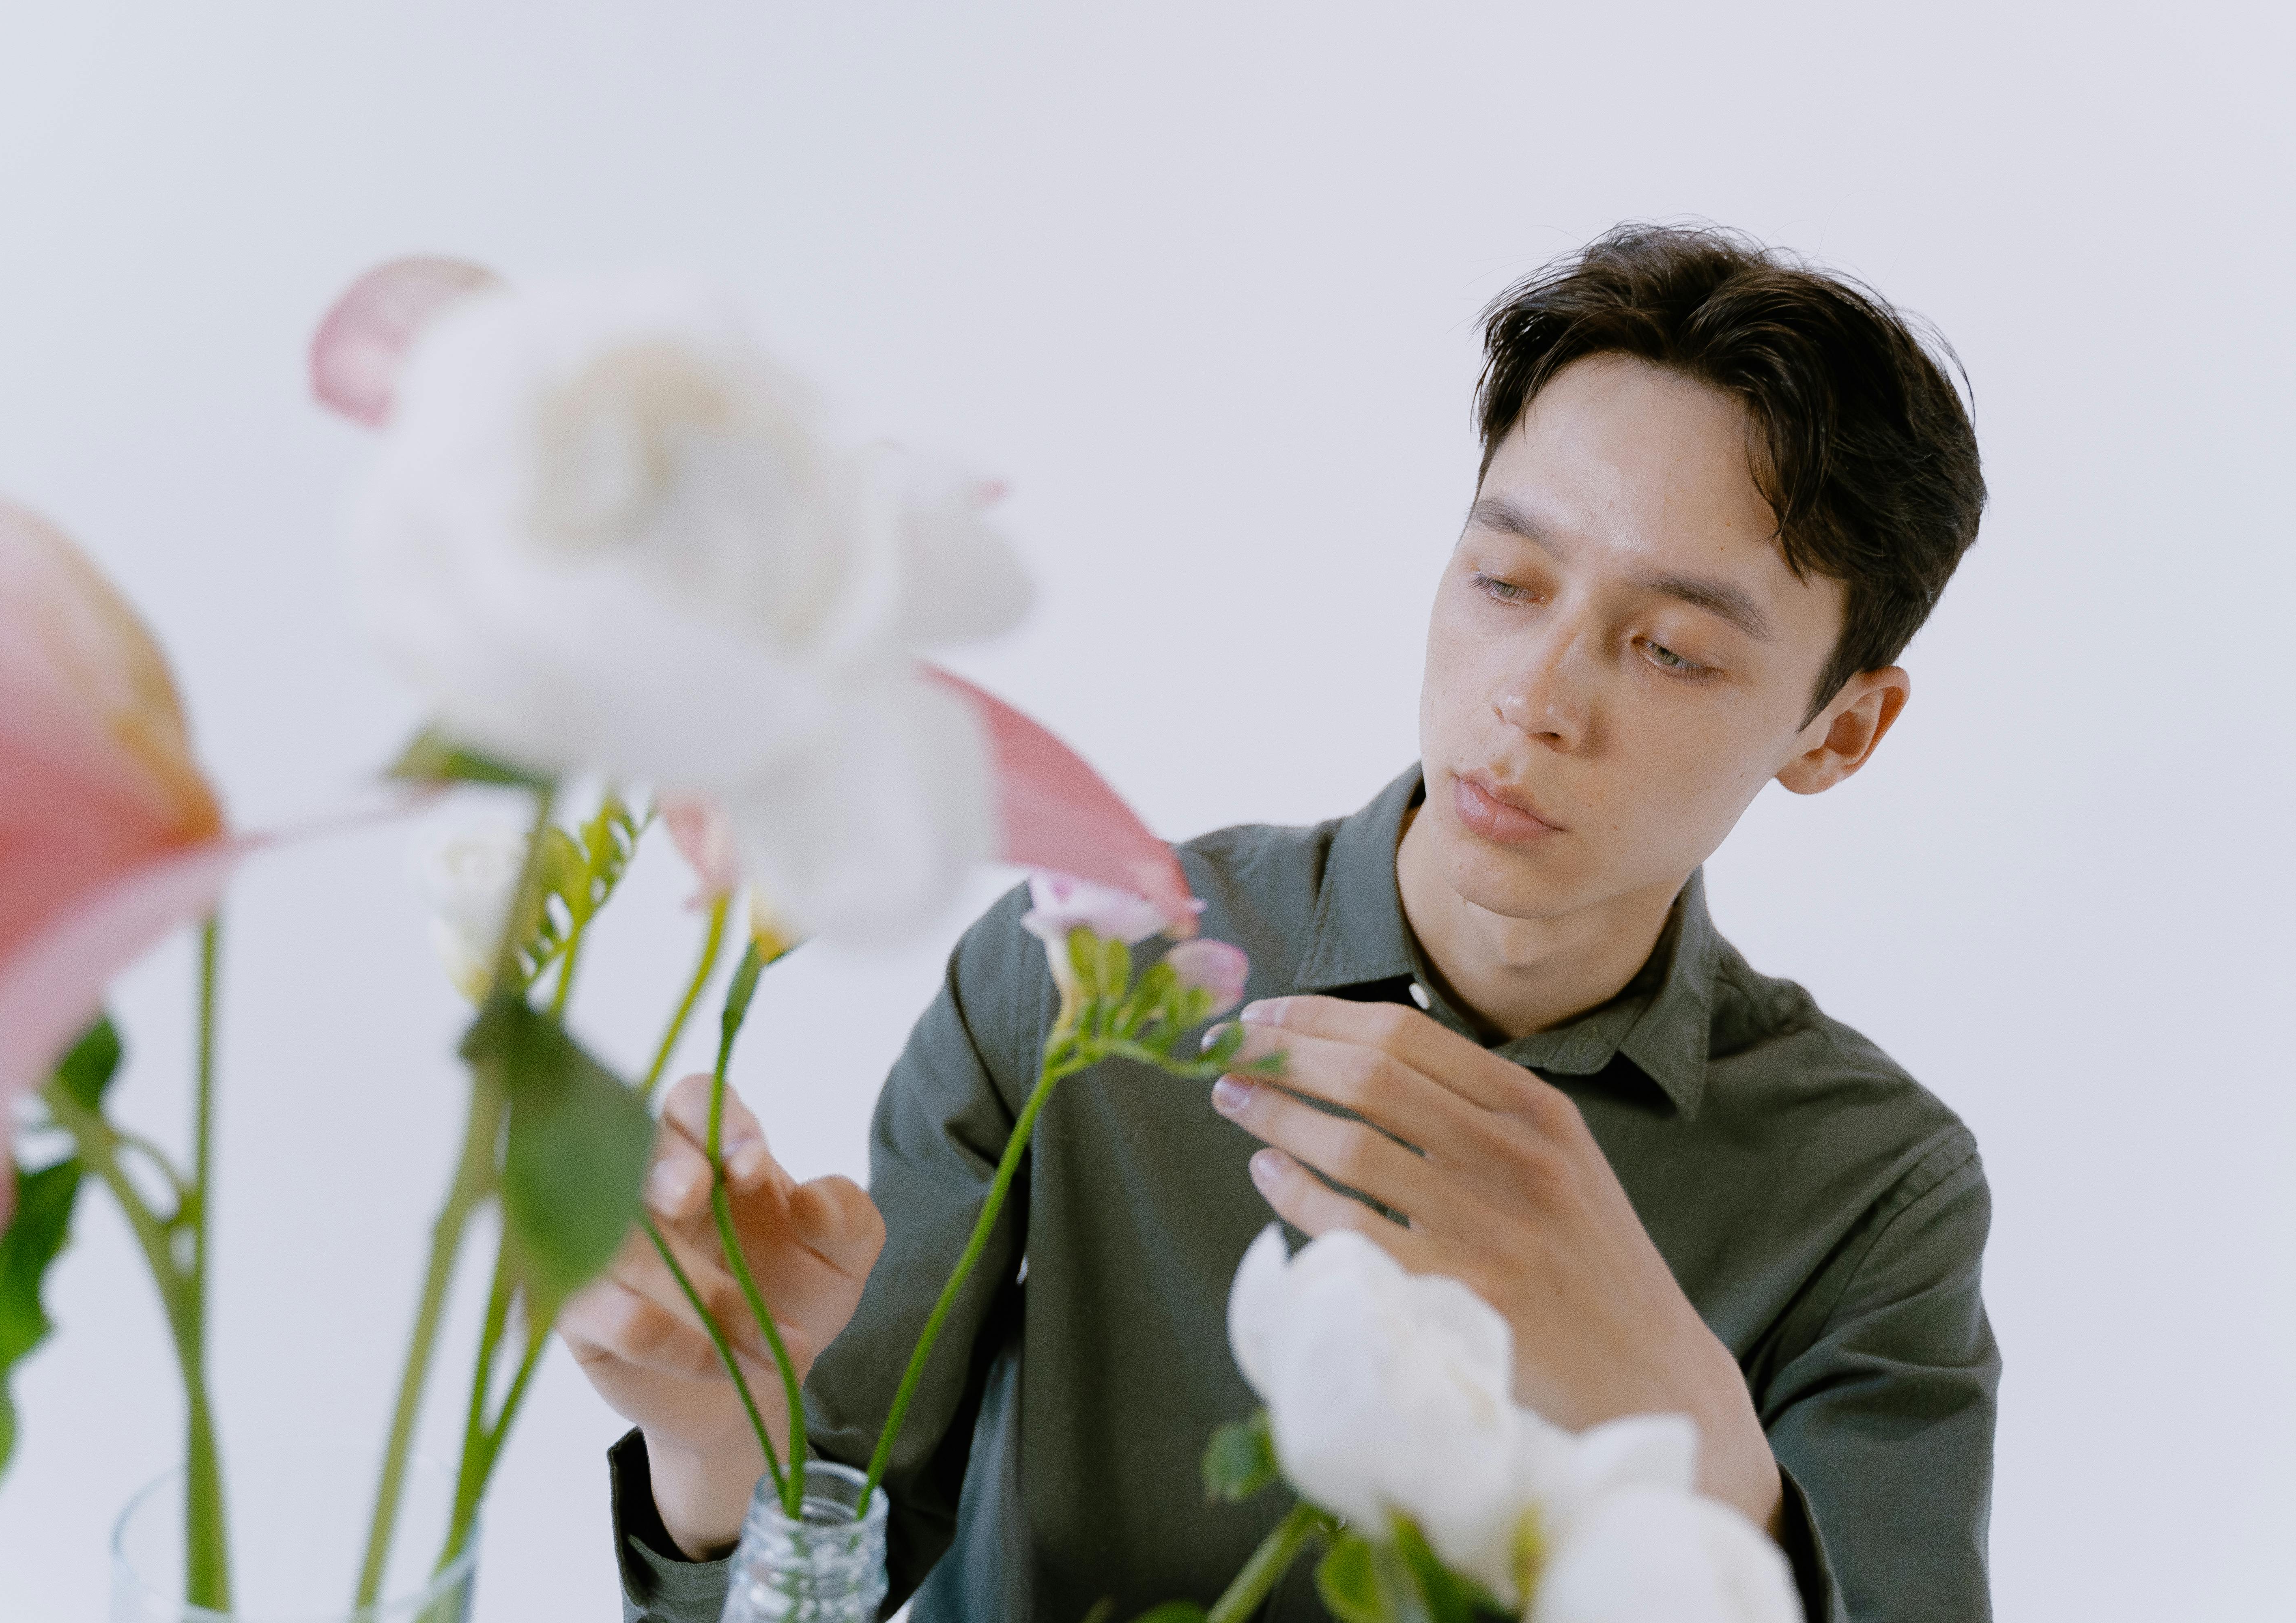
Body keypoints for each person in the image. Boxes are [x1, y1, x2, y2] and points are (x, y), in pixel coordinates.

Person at [559, 223, 1998, 1623]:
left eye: (1674, 649)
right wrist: (704, 1443)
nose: (1538, 699)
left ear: (1842, 730)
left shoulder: (1871, 1193)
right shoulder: (1080, 968)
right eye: (1505, 581)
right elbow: (811, 1562)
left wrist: (1683, 1416)